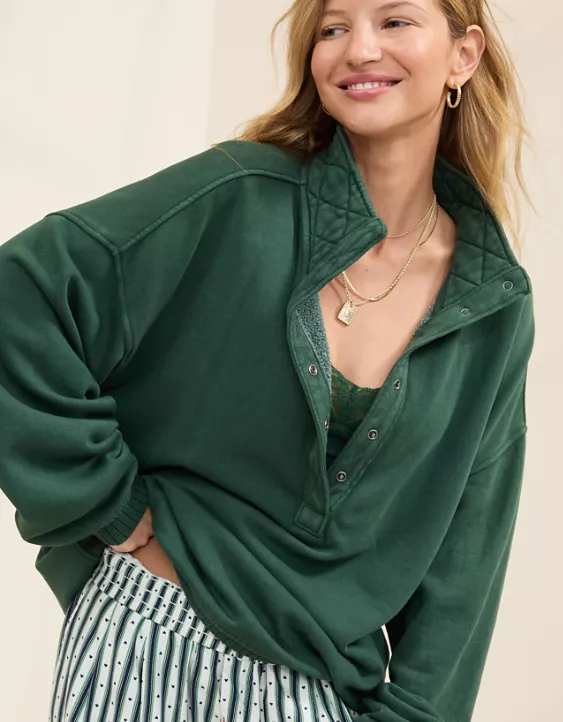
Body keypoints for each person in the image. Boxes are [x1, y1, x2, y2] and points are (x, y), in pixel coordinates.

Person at [0, 0, 534, 720]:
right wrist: (104, 501)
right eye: (333, 28)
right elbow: (20, 295)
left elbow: (464, 568)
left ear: (462, 56)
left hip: (321, 690)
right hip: (151, 637)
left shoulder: (491, 304)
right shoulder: (238, 195)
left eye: (395, 21)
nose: (358, 49)